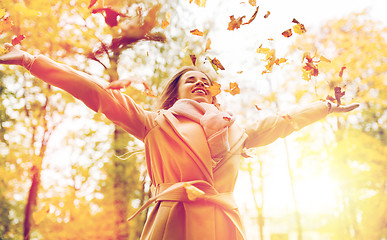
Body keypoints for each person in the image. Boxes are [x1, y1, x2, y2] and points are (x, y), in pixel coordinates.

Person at [0, 43, 358, 240]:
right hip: (173, 223)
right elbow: (97, 93)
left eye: (205, 80)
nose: (201, 82)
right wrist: (33, 61)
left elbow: (285, 122)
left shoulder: (237, 130)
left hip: (223, 225)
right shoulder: (155, 122)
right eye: (191, 79)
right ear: (175, 93)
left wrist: (325, 106)